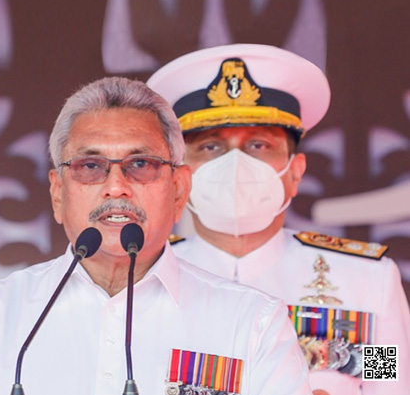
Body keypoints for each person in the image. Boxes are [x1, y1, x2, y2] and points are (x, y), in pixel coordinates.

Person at [0, 77, 311, 395]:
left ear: (178, 191)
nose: (116, 186)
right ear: (57, 192)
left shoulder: (254, 321)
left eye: (141, 163)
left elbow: (376, 372)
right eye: (90, 165)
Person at [147, 43, 410, 395]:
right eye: (211, 147)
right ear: (179, 177)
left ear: (296, 173)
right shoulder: (142, 281)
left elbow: (390, 388)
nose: (236, 164)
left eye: (258, 145)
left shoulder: (365, 283)